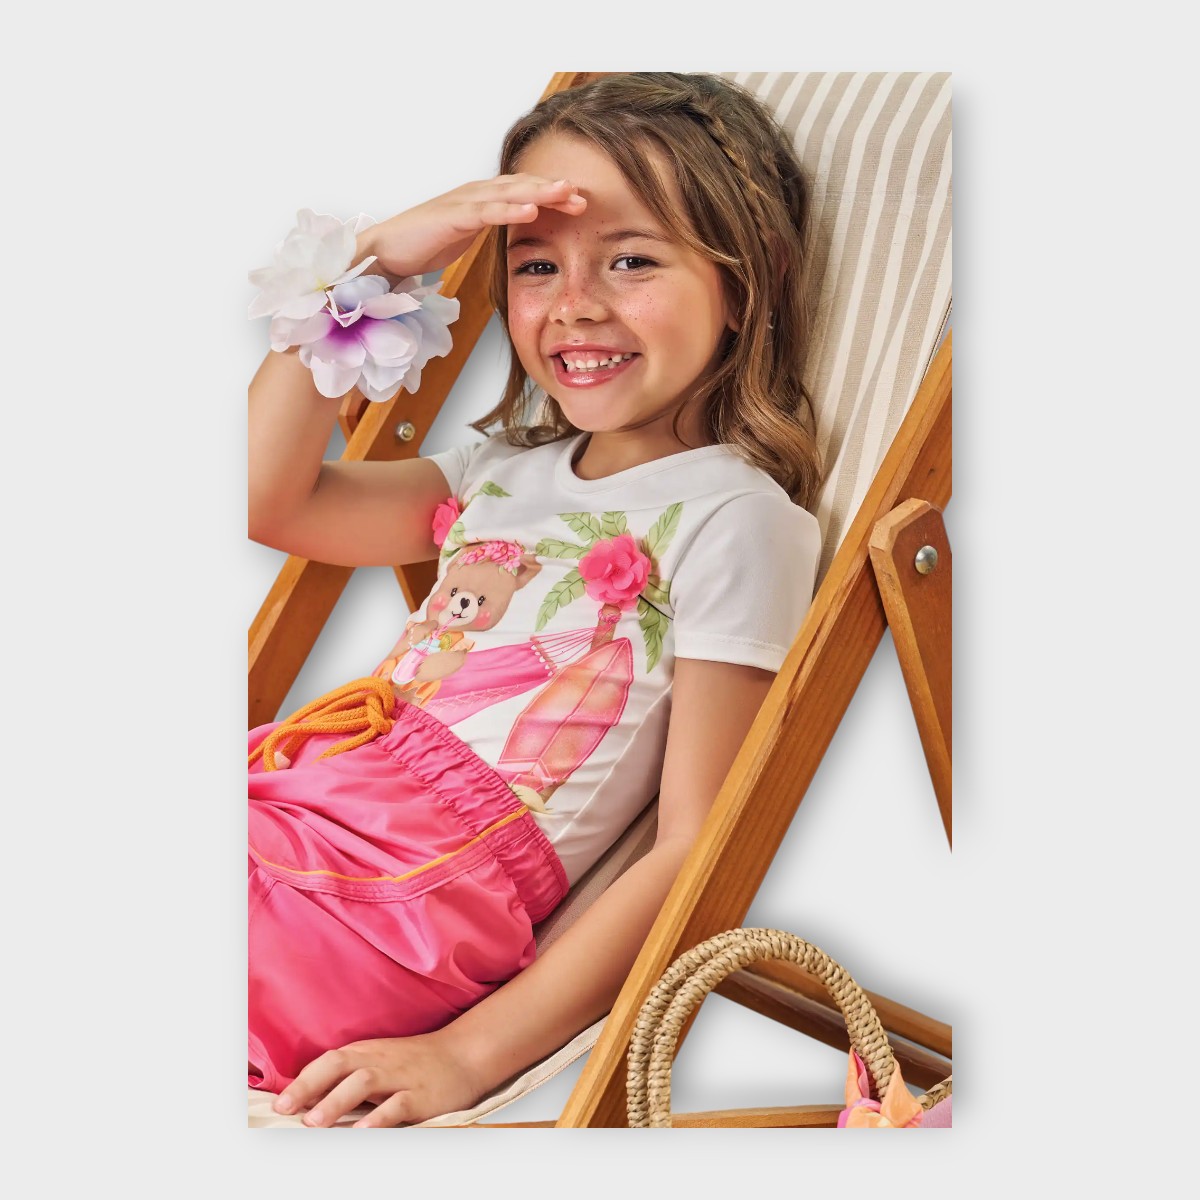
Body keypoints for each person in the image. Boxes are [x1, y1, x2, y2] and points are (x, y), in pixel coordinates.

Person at [247, 71, 824, 1128]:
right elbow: (266, 497)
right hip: (303, 810)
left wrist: (465, 1057)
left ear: (748, 283)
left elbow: (698, 843)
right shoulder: (498, 471)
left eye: (633, 259)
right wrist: (372, 266)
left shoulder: (735, 518)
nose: (576, 305)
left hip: (398, 900)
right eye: (537, 265)